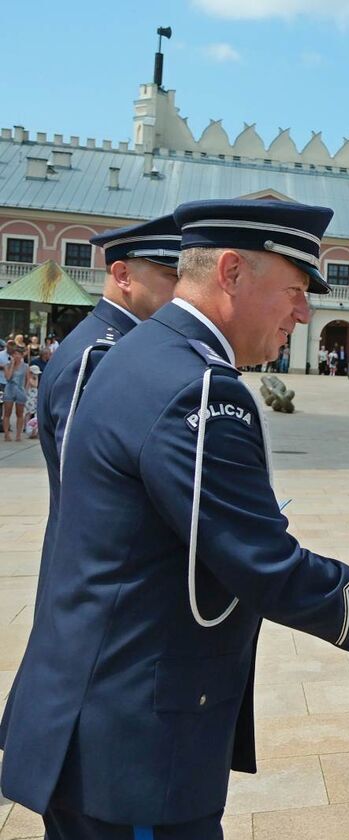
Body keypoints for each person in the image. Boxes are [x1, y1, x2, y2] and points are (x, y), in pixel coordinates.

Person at [0, 198, 349, 840]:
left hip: (94, 716)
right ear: (231, 272)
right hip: (135, 748)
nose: (304, 312)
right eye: (293, 290)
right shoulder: (201, 388)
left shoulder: (140, 352)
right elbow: (265, 566)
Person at [31, 215, 181, 620]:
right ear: (122, 274)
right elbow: (88, 489)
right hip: (102, 585)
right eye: (172, 277)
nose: (185, 292)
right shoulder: (99, 356)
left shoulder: (127, 344)